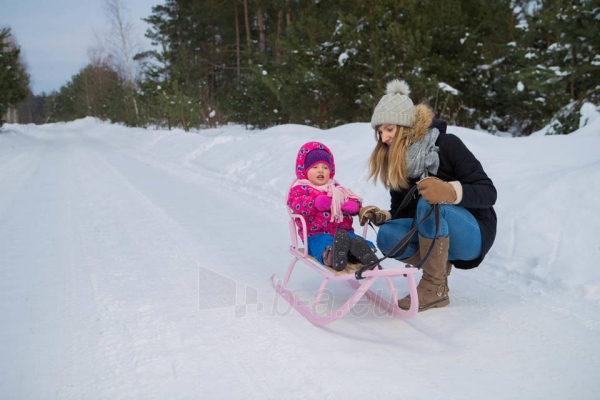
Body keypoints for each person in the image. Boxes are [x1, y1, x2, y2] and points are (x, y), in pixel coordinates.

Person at [359, 79, 497, 312]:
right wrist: (384, 216)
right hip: (434, 230)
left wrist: (450, 191)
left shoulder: (447, 144)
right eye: (380, 132)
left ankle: (434, 287)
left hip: (473, 233)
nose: (383, 138)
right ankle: (438, 273)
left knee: (430, 202)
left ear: (404, 126)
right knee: (388, 235)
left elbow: (488, 192)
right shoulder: (398, 161)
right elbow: (405, 212)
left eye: (389, 129)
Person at [287, 141, 380, 271]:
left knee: (355, 241)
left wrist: (353, 205)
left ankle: (363, 253)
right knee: (322, 245)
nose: (321, 170)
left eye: (325, 167)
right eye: (315, 167)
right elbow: (296, 204)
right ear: (305, 171)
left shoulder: (337, 189)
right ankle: (332, 256)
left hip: (344, 233)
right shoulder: (300, 190)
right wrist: (315, 203)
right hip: (316, 234)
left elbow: (353, 198)